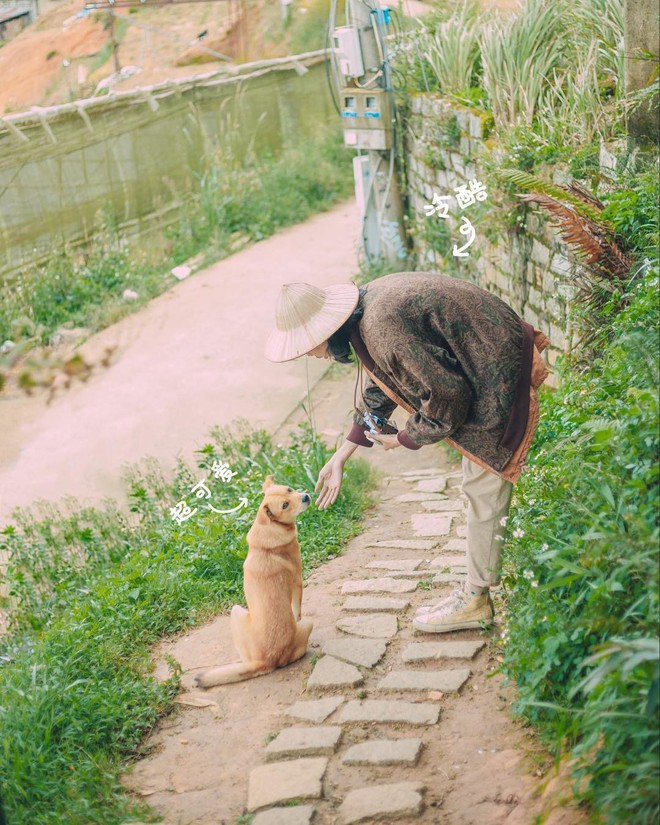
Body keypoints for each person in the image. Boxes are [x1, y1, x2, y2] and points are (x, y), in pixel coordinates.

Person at [264, 272, 549, 633]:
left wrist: (407, 437)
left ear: (325, 332)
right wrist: (341, 455)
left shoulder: (382, 327)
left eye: (308, 346)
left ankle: (476, 600)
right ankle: (474, 591)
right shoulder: (368, 313)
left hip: (496, 368)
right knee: (478, 484)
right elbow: (384, 382)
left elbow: (448, 396)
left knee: (483, 483)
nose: (311, 355)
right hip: (488, 351)